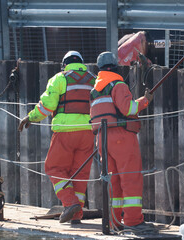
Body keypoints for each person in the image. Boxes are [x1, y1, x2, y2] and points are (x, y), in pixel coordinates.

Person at [18, 51, 96, 224]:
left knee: (54, 167)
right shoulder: (94, 79)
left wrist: (30, 117)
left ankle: (70, 204)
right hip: (89, 133)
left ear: (64, 64)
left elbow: (47, 106)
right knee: (80, 175)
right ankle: (76, 216)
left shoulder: (59, 78)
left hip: (66, 132)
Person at [89, 51, 154, 231]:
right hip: (121, 136)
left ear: (99, 69)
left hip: (102, 139)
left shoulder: (95, 91)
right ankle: (133, 220)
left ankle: (114, 222)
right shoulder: (117, 84)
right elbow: (128, 108)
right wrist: (144, 101)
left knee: (114, 182)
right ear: (116, 67)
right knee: (130, 178)